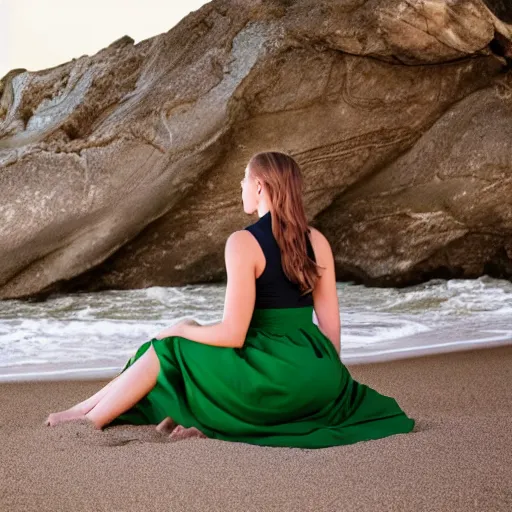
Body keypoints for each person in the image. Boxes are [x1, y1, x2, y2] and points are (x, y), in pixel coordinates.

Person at [46, 151, 415, 448]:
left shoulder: (243, 242)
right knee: (187, 350)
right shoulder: (317, 240)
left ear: (259, 186)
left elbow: (234, 335)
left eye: (243, 179)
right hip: (320, 377)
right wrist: (331, 385)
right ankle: (91, 409)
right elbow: (331, 327)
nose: (240, 186)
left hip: (271, 375)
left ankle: (89, 418)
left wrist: (182, 328)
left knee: (165, 347)